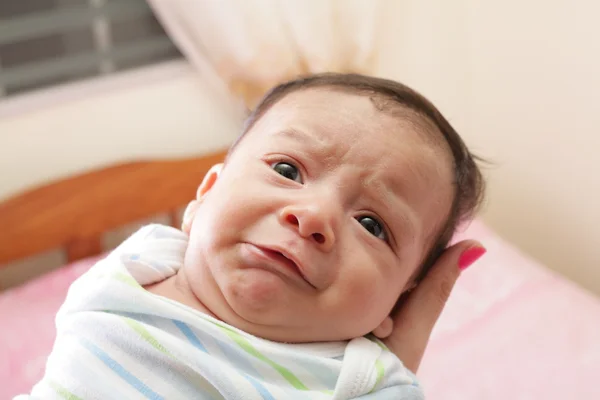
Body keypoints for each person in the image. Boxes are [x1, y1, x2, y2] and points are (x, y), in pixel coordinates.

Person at [16, 73, 486, 399]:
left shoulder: (362, 380)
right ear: (205, 194)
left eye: (373, 224)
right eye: (287, 169)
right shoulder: (146, 261)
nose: (313, 215)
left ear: (397, 304)